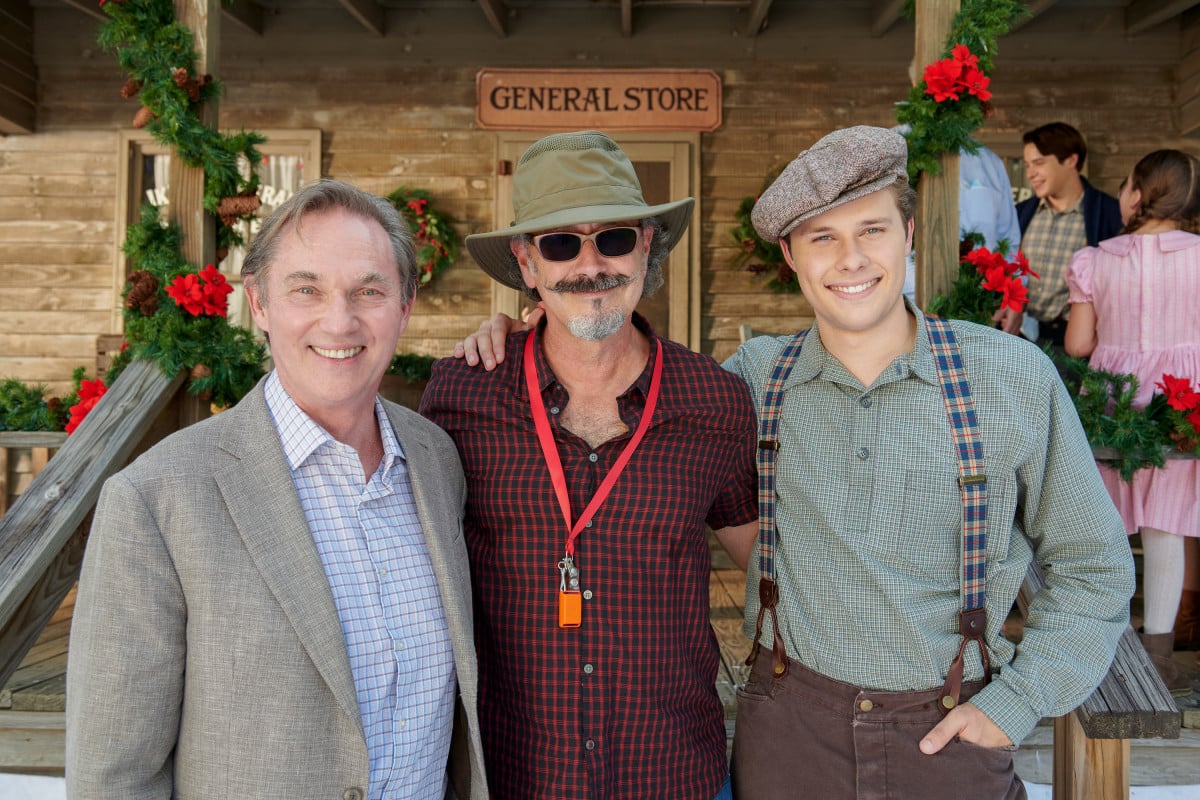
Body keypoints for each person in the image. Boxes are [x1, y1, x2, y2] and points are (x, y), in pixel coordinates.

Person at [461, 126, 1135, 799]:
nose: (851, 260)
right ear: (790, 254)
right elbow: (609, 366)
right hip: (787, 737)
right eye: (822, 238)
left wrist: (1014, 705)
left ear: (907, 233)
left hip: (950, 734)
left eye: (871, 230)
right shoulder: (749, 383)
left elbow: (1094, 567)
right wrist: (532, 328)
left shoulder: (1010, 377)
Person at [65, 179, 487, 800]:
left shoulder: (435, 459)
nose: (339, 320)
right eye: (306, 289)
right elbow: (113, 774)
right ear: (259, 303)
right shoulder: (157, 499)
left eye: (368, 291)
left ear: (405, 304)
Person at [420, 130, 758, 800]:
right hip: (515, 776)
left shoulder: (715, 401)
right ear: (526, 262)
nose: (589, 263)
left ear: (646, 249)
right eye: (559, 243)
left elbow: (775, 572)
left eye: (613, 238)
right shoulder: (461, 394)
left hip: (674, 774)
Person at [1064, 148, 1200, 695]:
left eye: (1124, 186)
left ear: (1138, 195)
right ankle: (1161, 654)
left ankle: (1112, 649)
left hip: (1112, 403)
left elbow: (1077, 343)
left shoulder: (1096, 259)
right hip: (1182, 403)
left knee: (1112, 527)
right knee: (1167, 524)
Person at [997, 122, 1121, 343]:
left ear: (1071, 160)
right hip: (1021, 336)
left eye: (1038, 163)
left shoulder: (1109, 214)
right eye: (1026, 165)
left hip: (1076, 343)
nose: (1031, 174)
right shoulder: (1020, 213)